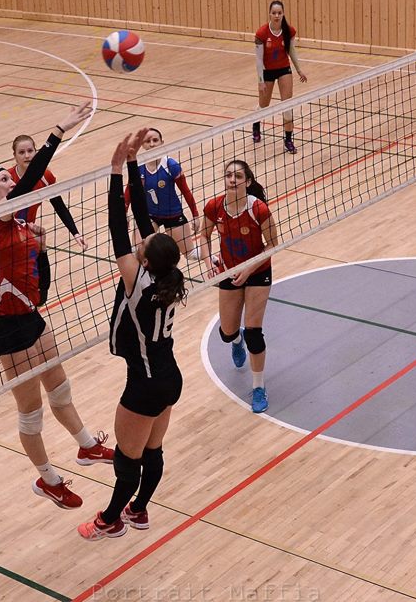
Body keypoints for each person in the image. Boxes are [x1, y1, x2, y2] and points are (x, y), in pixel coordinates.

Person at [0, 103, 112, 510]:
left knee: (60, 386)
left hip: (32, 317)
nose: (11, 178)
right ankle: (48, 479)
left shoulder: (14, 220)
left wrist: (39, 240)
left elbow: (34, 264)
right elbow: (33, 176)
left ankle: (86, 446)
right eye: (4, 178)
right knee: (31, 412)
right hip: (9, 328)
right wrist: (59, 130)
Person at [78, 129, 188, 540]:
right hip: (169, 376)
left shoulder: (137, 282)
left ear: (145, 258)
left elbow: (117, 228)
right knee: (153, 451)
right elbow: (142, 220)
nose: (146, 234)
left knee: (128, 461)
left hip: (144, 384)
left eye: (147, 241)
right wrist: (132, 163)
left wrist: (113, 172)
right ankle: (139, 511)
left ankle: (110, 520)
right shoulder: (169, 275)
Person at [200, 160, 279, 413]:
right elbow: (203, 236)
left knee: (254, 332)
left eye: (238, 176)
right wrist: (208, 262)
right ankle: (236, 340)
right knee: (227, 332)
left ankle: (258, 387)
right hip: (229, 271)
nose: (232, 179)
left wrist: (249, 269)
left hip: (258, 272)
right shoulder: (214, 206)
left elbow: (273, 244)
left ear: (248, 181)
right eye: (228, 175)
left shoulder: (258, 209)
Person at [7, 134, 89, 306]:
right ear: (14, 156)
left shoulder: (45, 177)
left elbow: (59, 205)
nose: (27, 155)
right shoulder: (7, 179)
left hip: (30, 236)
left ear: (36, 152)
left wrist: (75, 233)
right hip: (9, 239)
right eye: (21, 152)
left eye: (30, 151)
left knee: (40, 294)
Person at [123, 128, 201, 259]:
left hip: (173, 215)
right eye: (147, 141)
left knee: (190, 254)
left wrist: (195, 215)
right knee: (138, 253)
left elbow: (186, 191)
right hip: (150, 216)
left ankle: (216, 259)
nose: (152, 144)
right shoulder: (138, 167)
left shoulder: (170, 165)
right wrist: (124, 213)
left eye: (155, 140)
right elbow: (129, 192)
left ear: (162, 142)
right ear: (142, 145)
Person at [253, 0, 308, 154]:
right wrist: (261, 81)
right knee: (264, 105)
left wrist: (299, 70)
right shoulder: (261, 34)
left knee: (287, 105)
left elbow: (292, 51)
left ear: (283, 14)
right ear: (269, 14)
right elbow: (258, 60)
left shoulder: (289, 31)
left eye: (279, 13)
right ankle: (256, 123)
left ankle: (288, 140)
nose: (277, 16)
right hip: (267, 71)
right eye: (274, 13)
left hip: (284, 69)